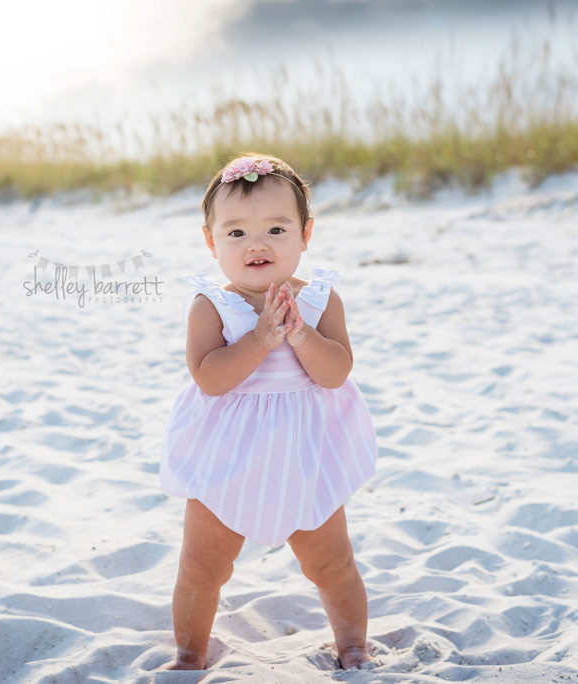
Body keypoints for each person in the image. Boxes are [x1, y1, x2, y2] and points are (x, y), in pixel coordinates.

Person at [156, 153, 378, 672]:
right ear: (210, 241)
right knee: (201, 565)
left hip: (306, 456)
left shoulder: (320, 301)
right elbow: (209, 378)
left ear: (306, 233)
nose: (256, 244)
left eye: (276, 228)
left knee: (332, 563)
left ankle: (352, 646)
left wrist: (300, 335)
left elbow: (335, 372)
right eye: (235, 233)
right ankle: (190, 654)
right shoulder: (211, 305)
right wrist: (260, 339)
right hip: (227, 460)